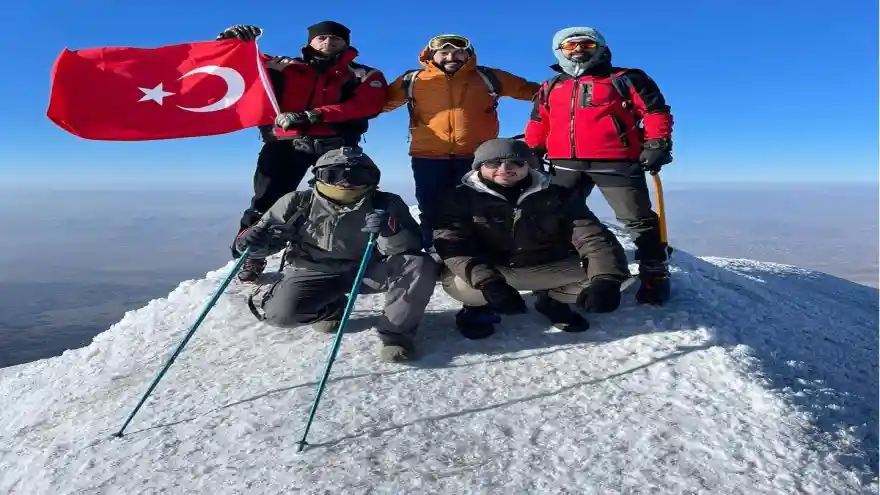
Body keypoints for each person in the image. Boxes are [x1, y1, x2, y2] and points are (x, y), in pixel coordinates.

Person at [217, 22, 389, 282]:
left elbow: (367, 104)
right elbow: (241, 65)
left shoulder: (364, 74)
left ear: (346, 43)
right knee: (267, 201)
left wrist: (313, 115)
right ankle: (251, 254)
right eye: (321, 37)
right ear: (310, 42)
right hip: (285, 144)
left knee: (348, 199)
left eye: (335, 38)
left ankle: (351, 252)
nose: (328, 42)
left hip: (337, 147)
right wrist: (230, 43)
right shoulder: (283, 66)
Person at [234, 147, 437, 363]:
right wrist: (252, 242)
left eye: (357, 176)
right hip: (312, 271)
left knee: (418, 264)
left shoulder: (386, 203)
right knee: (281, 315)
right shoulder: (297, 202)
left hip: (367, 269)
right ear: (319, 176)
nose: (345, 182)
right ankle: (332, 307)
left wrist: (391, 232)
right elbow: (268, 241)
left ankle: (396, 337)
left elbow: (410, 248)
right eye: (334, 175)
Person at [523, 26, 674, 305]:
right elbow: (539, 121)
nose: (578, 49)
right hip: (564, 162)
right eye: (570, 45)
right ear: (559, 51)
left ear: (601, 48)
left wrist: (657, 144)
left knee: (637, 218)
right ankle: (564, 268)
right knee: (557, 216)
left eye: (587, 44)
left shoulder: (626, 78)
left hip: (616, 160)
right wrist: (531, 150)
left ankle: (654, 272)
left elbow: (655, 111)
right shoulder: (551, 86)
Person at [432, 138, 632, 339]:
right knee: (459, 283)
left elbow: (593, 237)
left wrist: (606, 279)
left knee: (613, 277)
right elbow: (455, 246)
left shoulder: (558, 195)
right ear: (479, 166)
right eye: (493, 163)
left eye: (516, 162)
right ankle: (477, 307)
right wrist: (488, 282)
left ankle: (553, 301)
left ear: (528, 165)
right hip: (495, 269)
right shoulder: (458, 198)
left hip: (546, 266)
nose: (505, 169)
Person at [383, 34, 541, 249]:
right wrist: (352, 94)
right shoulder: (413, 80)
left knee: (481, 210)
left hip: (477, 158)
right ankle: (436, 250)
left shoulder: (488, 77)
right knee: (432, 208)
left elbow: (536, 93)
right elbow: (379, 104)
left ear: (469, 55)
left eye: (458, 52)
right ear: (431, 55)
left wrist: (567, 88)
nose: (451, 57)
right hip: (428, 157)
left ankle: (483, 251)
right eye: (444, 53)